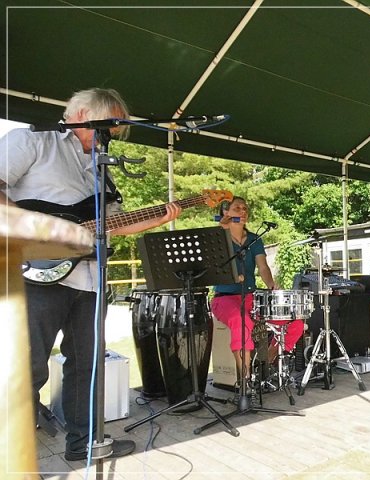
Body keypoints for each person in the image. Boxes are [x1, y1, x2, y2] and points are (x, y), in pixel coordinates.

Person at [0, 88, 182, 461]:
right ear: (83, 113)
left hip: (89, 278)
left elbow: (112, 223)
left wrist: (158, 217)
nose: (113, 132)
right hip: (35, 274)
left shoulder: (101, 164)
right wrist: (33, 228)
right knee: (27, 367)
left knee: (87, 366)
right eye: (109, 124)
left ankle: (83, 445)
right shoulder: (33, 140)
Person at [210, 197, 304, 388]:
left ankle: (267, 361)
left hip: (251, 297)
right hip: (225, 299)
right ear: (226, 211)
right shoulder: (216, 238)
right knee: (241, 321)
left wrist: (271, 284)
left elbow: (263, 267)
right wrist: (222, 227)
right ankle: (245, 382)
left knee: (296, 322)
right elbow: (211, 267)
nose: (243, 211)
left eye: (245, 208)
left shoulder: (254, 240)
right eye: (237, 208)